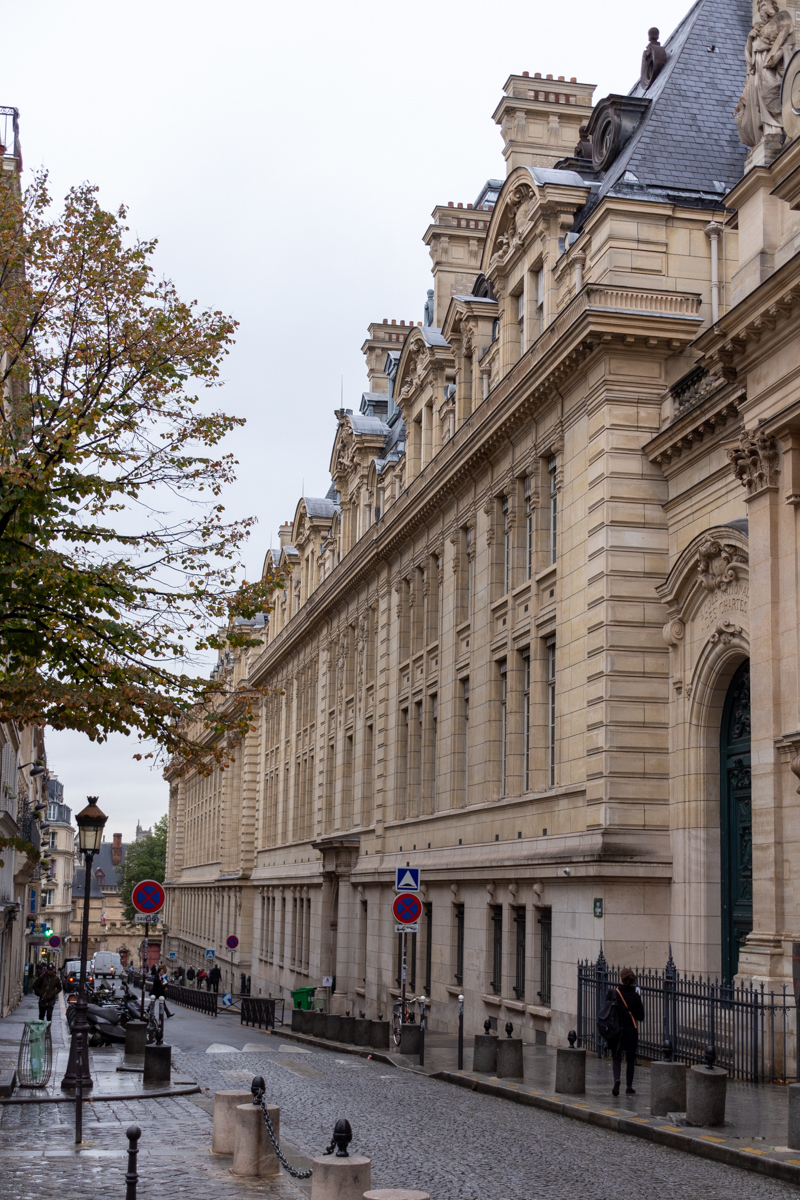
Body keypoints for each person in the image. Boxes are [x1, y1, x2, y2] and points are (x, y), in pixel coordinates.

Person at [608, 967, 645, 1096]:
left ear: (621, 979)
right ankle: (629, 1086)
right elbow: (641, 1016)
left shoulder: (614, 993)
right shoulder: (635, 996)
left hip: (616, 1030)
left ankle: (617, 1079)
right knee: (630, 1059)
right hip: (631, 1030)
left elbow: (607, 1010)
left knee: (616, 1057)